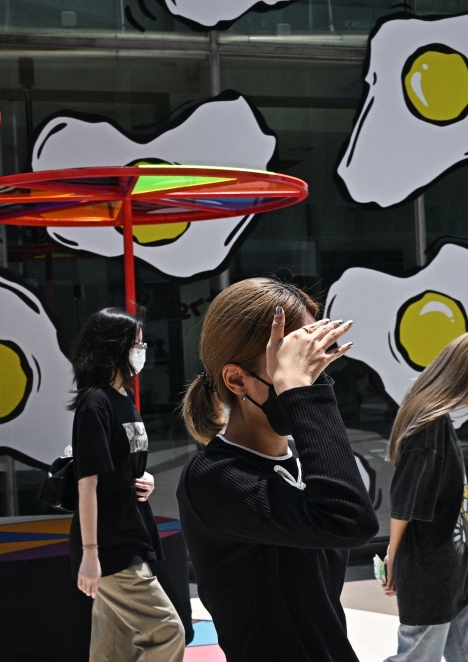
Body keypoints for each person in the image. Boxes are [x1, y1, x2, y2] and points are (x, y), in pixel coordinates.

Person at [177, 278, 378, 662]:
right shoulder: (214, 478)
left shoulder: (303, 460)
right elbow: (350, 521)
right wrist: (304, 394)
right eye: (292, 363)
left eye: (314, 358)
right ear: (237, 379)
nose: (311, 376)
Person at [381, 331, 468, 662]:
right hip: (432, 573)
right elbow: (405, 501)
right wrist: (394, 555)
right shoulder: (429, 424)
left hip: (454, 568)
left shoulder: (432, 417)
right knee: (417, 657)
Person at [69, 307, 185, 662]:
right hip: (110, 545)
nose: (143, 350)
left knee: (113, 650)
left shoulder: (124, 401)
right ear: (113, 347)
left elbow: (121, 465)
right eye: (137, 343)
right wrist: (90, 554)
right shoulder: (95, 403)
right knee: (167, 632)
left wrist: (144, 477)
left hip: (129, 532)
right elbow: (86, 484)